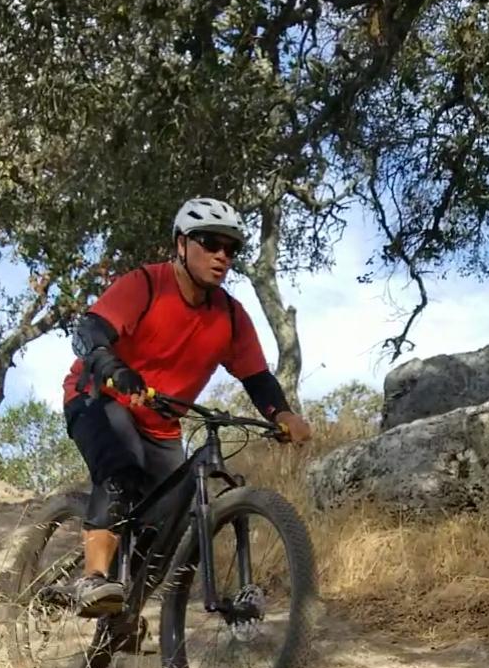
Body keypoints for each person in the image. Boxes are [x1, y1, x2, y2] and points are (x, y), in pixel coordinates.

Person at [63, 197, 312, 615]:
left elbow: (256, 377)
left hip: (162, 425)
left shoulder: (231, 318)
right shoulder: (145, 284)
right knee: (119, 472)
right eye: (210, 243)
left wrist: (282, 414)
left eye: (231, 249)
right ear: (181, 244)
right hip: (98, 398)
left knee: (169, 523)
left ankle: (123, 613)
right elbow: (89, 331)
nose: (222, 256)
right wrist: (115, 369)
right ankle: (94, 577)